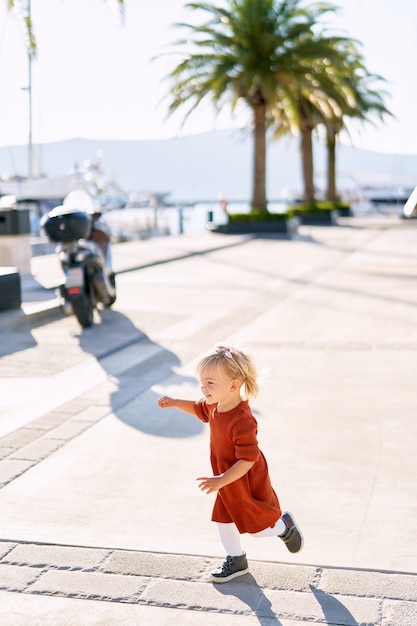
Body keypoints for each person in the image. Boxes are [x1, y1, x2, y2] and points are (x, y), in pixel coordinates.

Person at [158, 343, 303, 583]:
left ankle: (284, 527)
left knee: (257, 528)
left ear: (233, 386)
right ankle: (236, 559)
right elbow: (198, 409)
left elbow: (248, 459)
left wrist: (221, 480)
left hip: (242, 478)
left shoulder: (243, 420)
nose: (203, 388)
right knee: (223, 520)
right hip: (225, 478)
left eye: (210, 383)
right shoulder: (216, 405)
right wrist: (175, 402)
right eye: (202, 382)